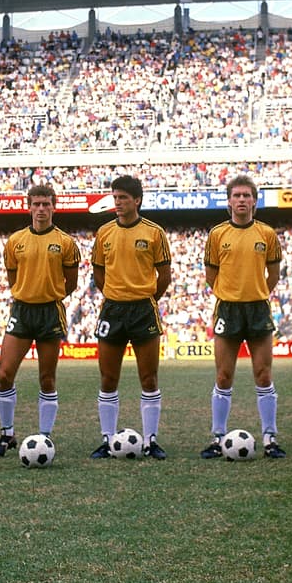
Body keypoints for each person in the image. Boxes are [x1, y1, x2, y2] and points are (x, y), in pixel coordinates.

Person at [0, 184, 80, 457]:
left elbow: (71, 283)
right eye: (36, 204)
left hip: (50, 312)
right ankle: (7, 434)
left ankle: (44, 437)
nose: (41, 209)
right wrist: (28, 294)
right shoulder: (15, 241)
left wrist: (47, 294)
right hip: (22, 311)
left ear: (54, 207)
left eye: (46, 204)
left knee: (47, 379)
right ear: (29, 207)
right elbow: (12, 279)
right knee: (4, 374)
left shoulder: (65, 242)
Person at [200, 175, 286, 459]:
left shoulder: (267, 234)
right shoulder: (217, 234)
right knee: (224, 376)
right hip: (228, 309)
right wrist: (231, 295)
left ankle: (270, 438)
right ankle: (218, 437)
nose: (241, 200)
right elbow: (211, 275)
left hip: (258, 309)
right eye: (236, 195)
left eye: (246, 195)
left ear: (254, 201)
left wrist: (256, 293)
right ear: (228, 202)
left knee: (263, 374)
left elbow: (273, 274)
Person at [89, 175, 172, 460]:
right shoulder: (104, 233)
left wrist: (146, 298)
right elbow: (98, 273)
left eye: (123, 197)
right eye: (115, 197)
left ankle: (150, 440)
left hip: (143, 310)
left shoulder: (154, 232)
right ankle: (107, 439)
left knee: (148, 378)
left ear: (137, 200)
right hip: (113, 310)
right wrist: (116, 295)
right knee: (108, 378)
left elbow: (165, 275)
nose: (118, 202)